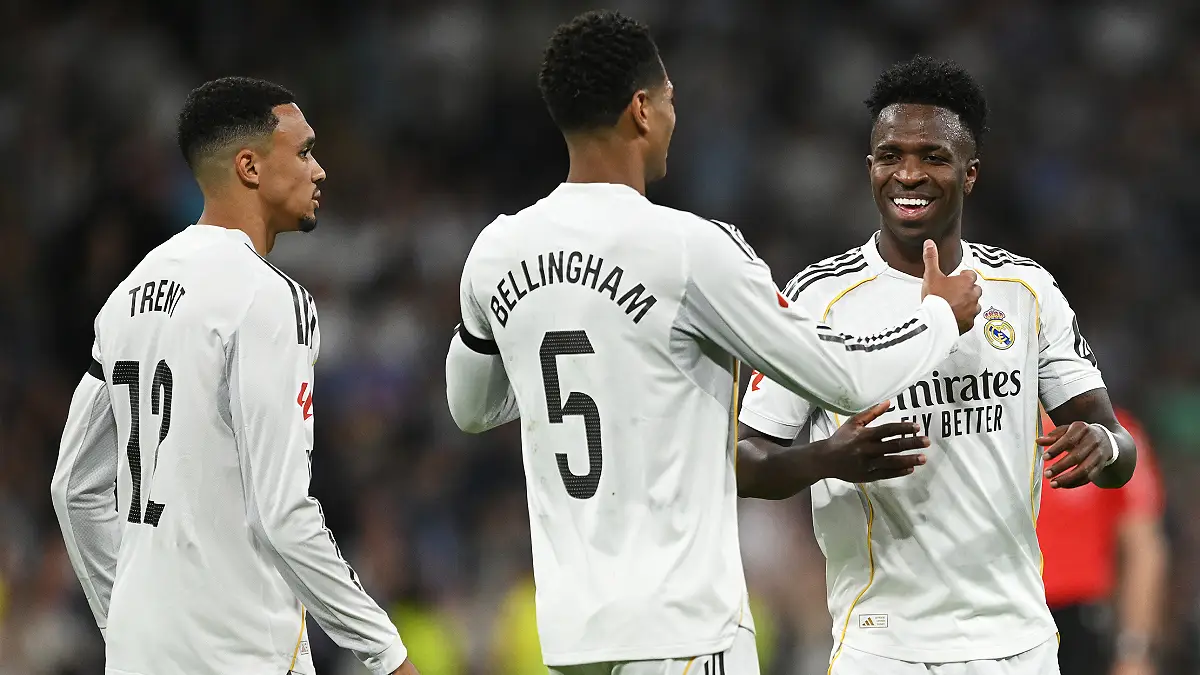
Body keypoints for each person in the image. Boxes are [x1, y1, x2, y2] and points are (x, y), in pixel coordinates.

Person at [444, 12, 981, 675]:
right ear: (641, 109)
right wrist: (938, 316)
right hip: (684, 631)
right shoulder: (690, 250)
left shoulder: (496, 251)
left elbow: (470, 409)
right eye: (670, 99)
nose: (675, 116)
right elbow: (846, 378)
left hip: (571, 638)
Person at [737, 55, 1139, 675]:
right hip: (884, 645)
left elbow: (1117, 449)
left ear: (970, 174)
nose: (909, 173)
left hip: (1018, 641)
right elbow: (743, 460)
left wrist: (1102, 446)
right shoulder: (819, 299)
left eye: (933, 156)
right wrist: (827, 459)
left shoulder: (1025, 290)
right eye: (890, 155)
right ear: (870, 169)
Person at [49, 77, 418, 675]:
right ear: (249, 166)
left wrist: (124, 626)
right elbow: (283, 514)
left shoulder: (127, 297)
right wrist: (388, 654)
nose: (319, 170)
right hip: (244, 653)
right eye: (304, 152)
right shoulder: (266, 297)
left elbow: (74, 488)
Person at [1038, 407, 1167, 675]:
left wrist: (1133, 651)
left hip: (1079, 623)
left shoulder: (1111, 434)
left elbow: (1142, 548)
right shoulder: (987, 431)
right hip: (999, 615)